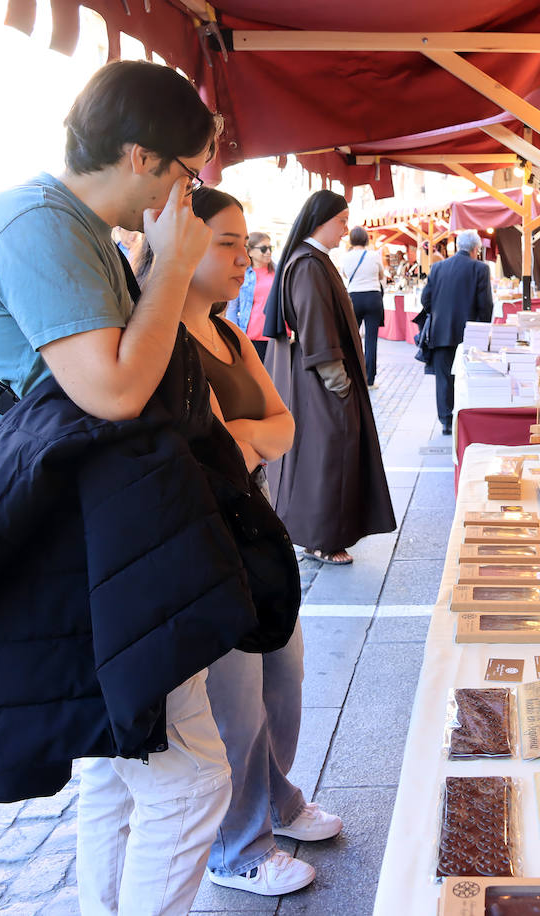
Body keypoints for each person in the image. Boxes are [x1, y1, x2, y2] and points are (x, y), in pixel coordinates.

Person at [0, 60, 236, 915]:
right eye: (189, 174)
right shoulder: (38, 223)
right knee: (188, 784)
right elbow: (112, 390)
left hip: (90, 533)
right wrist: (172, 270)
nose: (191, 195)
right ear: (144, 158)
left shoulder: (74, 229)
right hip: (69, 537)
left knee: (122, 766)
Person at [142, 187, 343, 896]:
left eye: (245, 242)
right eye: (227, 242)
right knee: (234, 699)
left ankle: (277, 798)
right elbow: (197, 449)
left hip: (254, 530)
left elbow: (280, 427)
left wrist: (244, 440)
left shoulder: (226, 335)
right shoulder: (158, 337)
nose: (244, 258)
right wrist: (245, 443)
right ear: (181, 242)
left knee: (282, 677)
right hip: (202, 541)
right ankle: (239, 848)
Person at [262, 190, 396, 565]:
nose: (345, 230)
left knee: (326, 455)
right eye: (341, 221)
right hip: (324, 382)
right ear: (321, 221)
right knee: (328, 456)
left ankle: (321, 534)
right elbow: (316, 327)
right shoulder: (307, 265)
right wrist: (339, 382)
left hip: (323, 380)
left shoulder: (313, 260)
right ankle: (321, 538)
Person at [420, 229, 494, 435]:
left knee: (443, 377)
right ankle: (465, 417)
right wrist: (483, 329)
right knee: (467, 375)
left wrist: (439, 313)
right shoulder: (480, 269)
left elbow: (425, 300)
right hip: (469, 333)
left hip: (441, 331)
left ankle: (446, 421)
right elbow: (485, 304)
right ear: (475, 249)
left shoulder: (438, 268)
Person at [341, 225, 384, 387]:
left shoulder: (346, 257)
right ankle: (370, 379)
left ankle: (351, 374)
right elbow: (381, 275)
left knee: (352, 338)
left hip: (354, 297)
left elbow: (345, 274)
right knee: (371, 340)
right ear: (366, 239)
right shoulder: (374, 255)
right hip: (373, 297)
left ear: (351, 240)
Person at [225, 231, 276, 361]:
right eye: (263, 249)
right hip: (251, 337)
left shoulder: (279, 272)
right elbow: (232, 308)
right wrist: (235, 337)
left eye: (270, 248)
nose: (268, 252)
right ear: (250, 252)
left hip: (276, 336)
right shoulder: (241, 274)